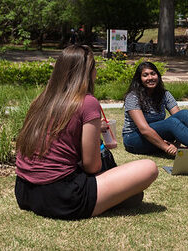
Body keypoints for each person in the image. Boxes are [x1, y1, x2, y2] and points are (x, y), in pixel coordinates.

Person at [14, 45, 158, 220]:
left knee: (131, 192)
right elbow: (92, 166)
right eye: (94, 68)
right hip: (62, 196)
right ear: (88, 72)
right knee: (148, 168)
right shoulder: (87, 102)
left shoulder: (42, 99)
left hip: (24, 191)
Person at [122, 62, 188, 156]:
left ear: (158, 75)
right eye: (145, 75)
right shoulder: (133, 97)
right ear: (139, 79)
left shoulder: (164, 94)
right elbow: (144, 130)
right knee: (171, 122)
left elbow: (181, 120)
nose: (150, 77)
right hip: (134, 139)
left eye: (153, 74)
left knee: (184, 114)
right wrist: (166, 147)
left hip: (157, 136)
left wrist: (176, 144)